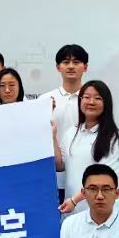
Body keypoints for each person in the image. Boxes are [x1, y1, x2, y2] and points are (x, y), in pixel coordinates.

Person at [57, 81, 119, 215]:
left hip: (105, 212)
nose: (91, 102)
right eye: (87, 97)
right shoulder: (71, 132)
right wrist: (53, 134)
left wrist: (75, 200)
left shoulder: (112, 137)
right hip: (75, 212)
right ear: (80, 100)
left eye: (97, 98)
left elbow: (106, 179)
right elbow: (60, 165)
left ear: (106, 103)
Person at [39, 45, 89, 203]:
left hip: (84, 178)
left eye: (76, 62)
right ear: (58, 67)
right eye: (66, 62)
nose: (71, 66)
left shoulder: (92, 100)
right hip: (53, 178)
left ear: (85, 67)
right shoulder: (45, 100)